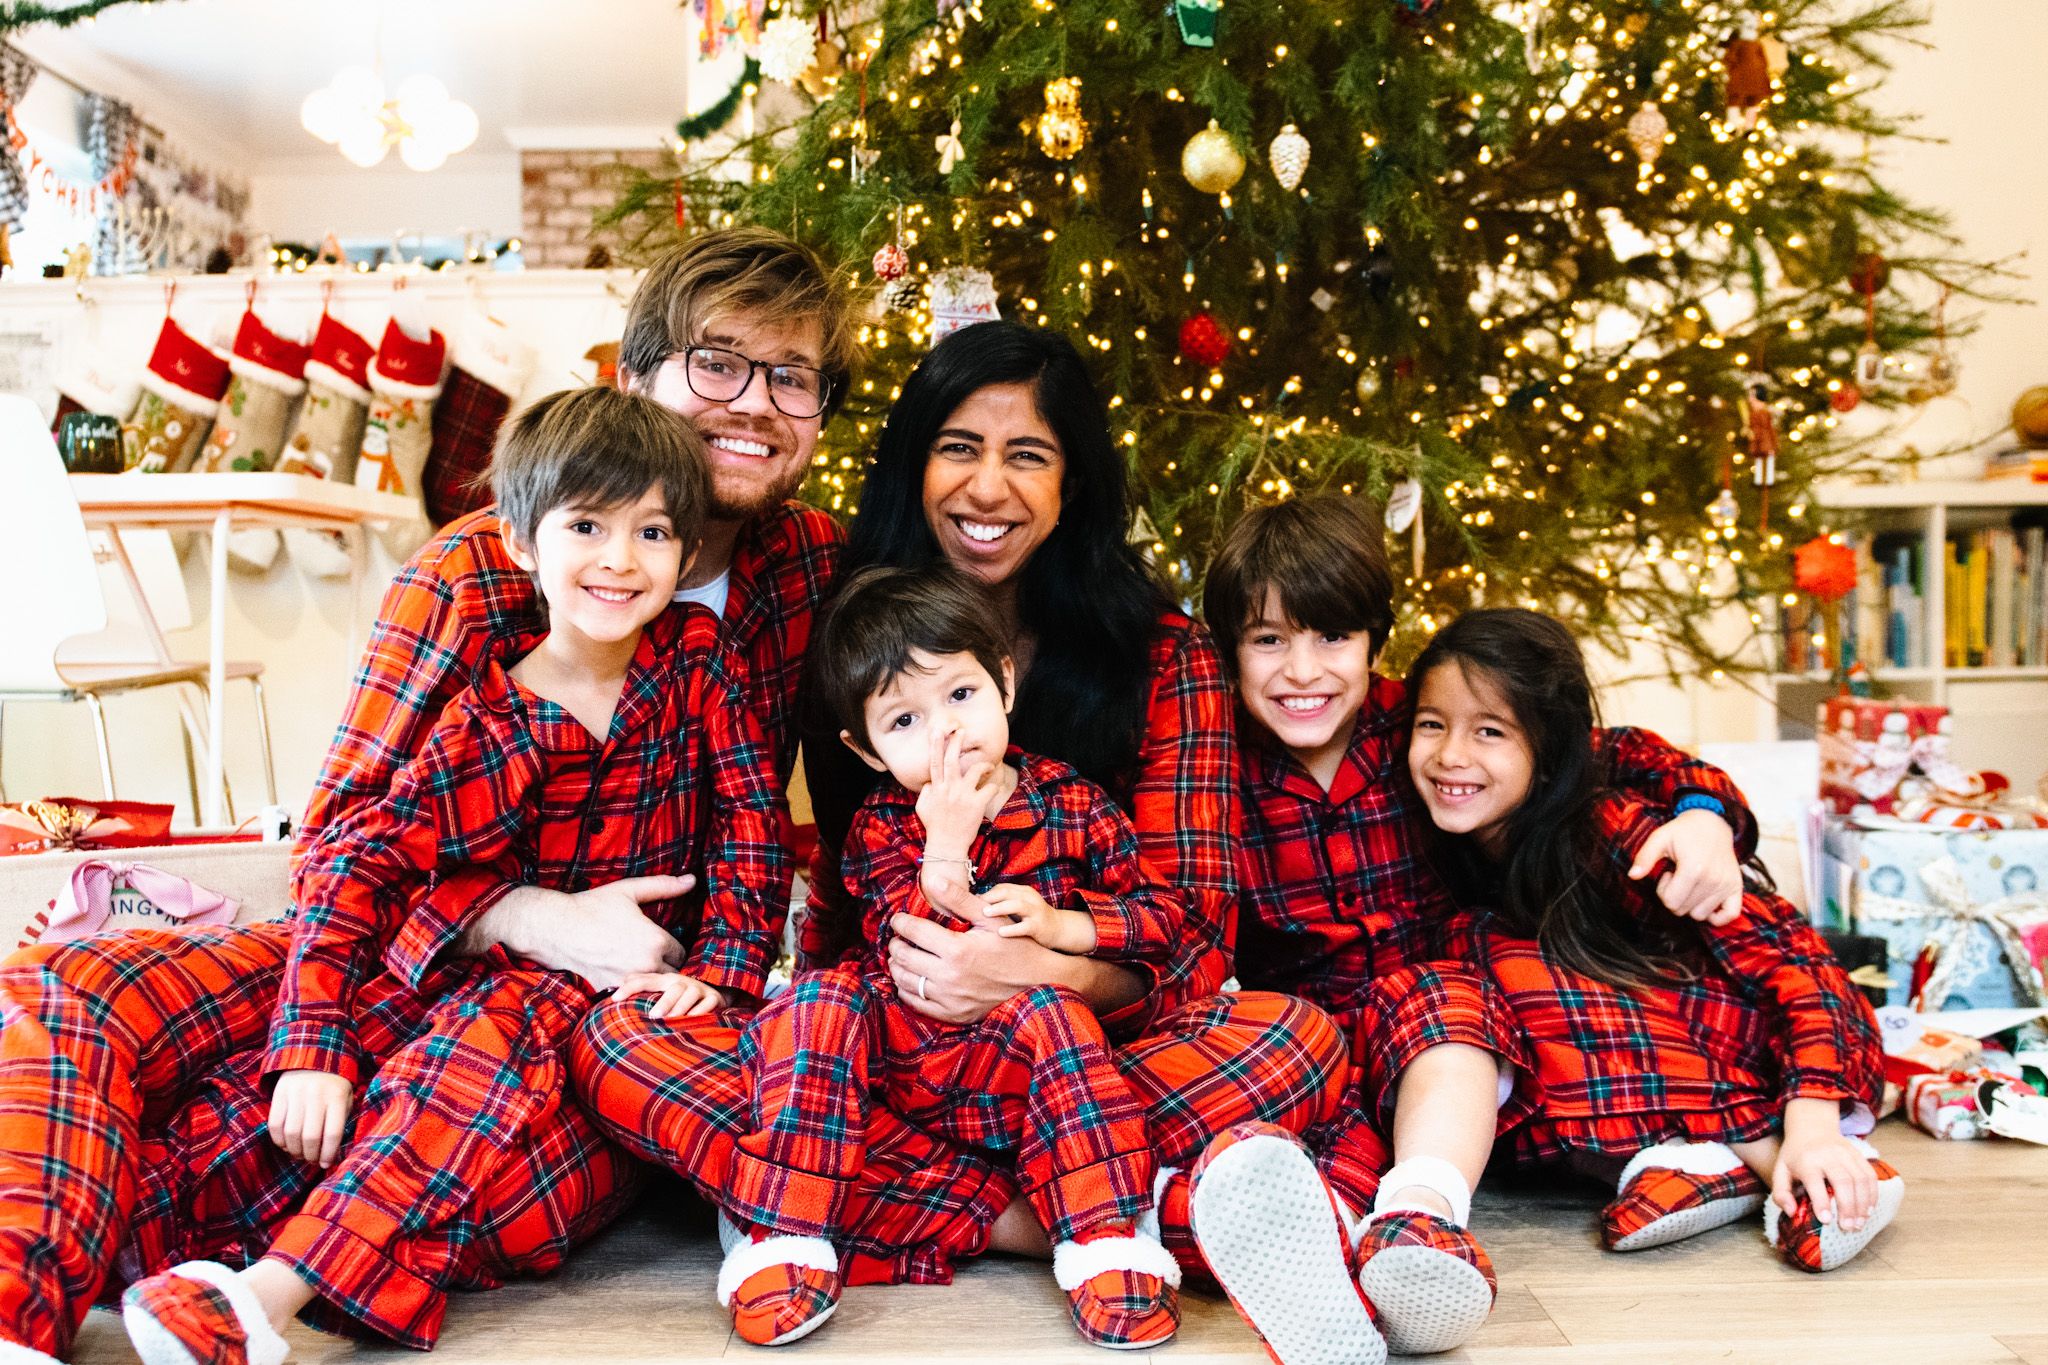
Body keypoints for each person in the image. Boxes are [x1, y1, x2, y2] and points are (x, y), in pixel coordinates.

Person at [0, 389, 789, 1365]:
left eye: (652, 531)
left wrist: (720, 976)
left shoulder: (702, 670)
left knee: (446, 1065)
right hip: (425, 969)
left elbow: (754, 839)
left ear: (683, 548)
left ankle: (253, 1299)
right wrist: (315, 1040)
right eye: (587, 526)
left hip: (547, 1016)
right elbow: (360, 858)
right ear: (518, 543)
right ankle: (19, 1306)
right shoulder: (488, 718)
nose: (621, 558)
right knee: (64, 986)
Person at [572, 321, 1347, 1292]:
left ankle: (808, 1195)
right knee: (623, 1040)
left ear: (1072, 484)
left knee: (1298, 1039)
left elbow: (1195, 942)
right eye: (957, 449)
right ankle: (1103, 1217)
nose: (988, 488)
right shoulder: (850, 628)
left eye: (1027, 455)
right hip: (887, 1048)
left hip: (1086, 1056)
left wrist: (1040, 969)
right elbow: (819, 906)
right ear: (913, 467)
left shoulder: (1158, 652)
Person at [1183, 497, 1780, 1365]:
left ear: (1375, 640)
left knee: (1445, 1002)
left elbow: (1598, 750)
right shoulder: (1214, 757)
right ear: (1229, 648)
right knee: (1317, 1146)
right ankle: (1348, 1285)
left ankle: (1425, 1218)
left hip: (1438, 1027)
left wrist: (1702, 813)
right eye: (1268, 640)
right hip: (1310, 1036)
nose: (1301, 670)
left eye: (1332, 638)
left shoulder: (1421, 725)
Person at [681, 564, 1185, 1348]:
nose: (947, 732)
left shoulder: (1077, 805)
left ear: (1005, 683)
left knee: (1053, 1007)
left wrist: (1061, 925)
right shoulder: (881, 828)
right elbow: (916, 954)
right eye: (905, 720)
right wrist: (944, 846)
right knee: (815, 1001)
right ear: (869, 749)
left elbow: (1162, 919)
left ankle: (1105, 1240)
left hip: (1021, 1084)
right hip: (897, 1079)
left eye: (960, 696)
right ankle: (783, 1235)